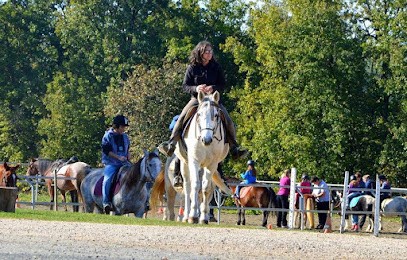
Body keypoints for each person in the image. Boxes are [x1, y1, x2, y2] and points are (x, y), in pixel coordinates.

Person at [158, 40, 248, 160]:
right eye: (207, 52)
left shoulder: (216, 67)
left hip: (213, 100)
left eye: (211, 51)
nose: (210, 54)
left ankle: (234, 148)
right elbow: (185, 86)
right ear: (200, 53)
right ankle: (171, 144)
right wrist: (196, 88)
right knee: (181, 118)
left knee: (228, 120)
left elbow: (223, 84)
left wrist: (213, 88)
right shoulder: (192, 67)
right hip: (197, 99)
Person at [101, 115, 131, 214]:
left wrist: (128, 156)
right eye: (122, 127)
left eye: (124, 127)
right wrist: (118, 157)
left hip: (125, 163)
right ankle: (106, 203)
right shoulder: (107, 136)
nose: (124, 129)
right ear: (116, 126)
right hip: (111, 163)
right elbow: (107, 151)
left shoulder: (125, 137)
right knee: (107, 179)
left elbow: (128, 150)